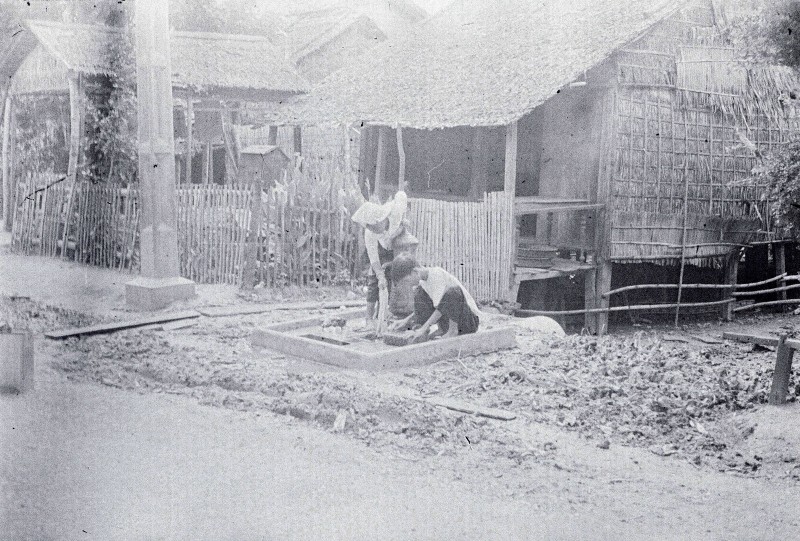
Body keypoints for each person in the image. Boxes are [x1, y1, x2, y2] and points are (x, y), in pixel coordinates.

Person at [351, 190, 413, 331]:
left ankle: (385, 315)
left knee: (393, 281)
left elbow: (402, 196)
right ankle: (369, 319)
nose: (372, 229)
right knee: (374, 282)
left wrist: (398, 230)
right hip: (380, 251)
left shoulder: (394, 211)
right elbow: (373, 257)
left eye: (374, 226)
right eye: (369, 227)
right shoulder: (370, 234)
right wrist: (380, 275)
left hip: (395, 248)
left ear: (381, 219)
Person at [388, 255, 481, 342]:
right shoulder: (423, 281)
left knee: (453, 291)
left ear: (415, 271)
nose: (408, 284)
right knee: (419, 292)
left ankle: (452, 332)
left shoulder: (436, 275)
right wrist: (405, 321)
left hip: (468, 322)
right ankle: (424, 330)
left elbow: (440, 308)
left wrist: (423, 328)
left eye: (406, 280)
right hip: (450, 320)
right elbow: (437, 306)